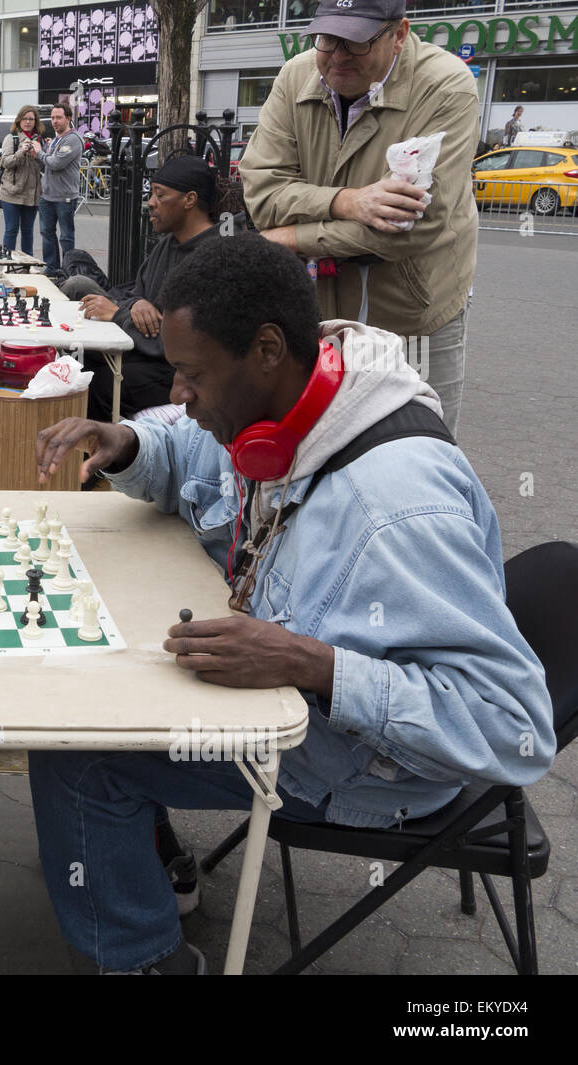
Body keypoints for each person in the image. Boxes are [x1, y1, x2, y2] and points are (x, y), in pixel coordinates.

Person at [30, 234, 554, 974]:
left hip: (366, 767)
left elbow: (514, 728)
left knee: (77, 749)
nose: (179, 395)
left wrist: (314, 664)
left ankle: (144, 957)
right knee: (112, 674)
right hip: (299, 704)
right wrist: (129, 444)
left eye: (192, 375)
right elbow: (187, 442)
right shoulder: (282, 404)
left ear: (267, 349)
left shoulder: (395, 508)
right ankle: (144, 856)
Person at [240, 0, 478, 436]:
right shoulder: (295, 76)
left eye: (357, 41)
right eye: (327, 38)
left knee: (419, 448)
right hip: (316, 305)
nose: (338, 54)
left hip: (415, 310)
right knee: (318, 444)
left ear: (399, 34)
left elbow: (413, 226)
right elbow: (263, 195)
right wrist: (349, 202)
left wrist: (289, 237)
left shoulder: (446, 86)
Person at [60, 155, 220, 423]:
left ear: (189, 200)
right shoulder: (167, 244)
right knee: (76, 358)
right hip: (148, 351)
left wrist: (120, 314)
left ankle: (101, 461)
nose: (150, 203)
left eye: (160, 195)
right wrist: (134, 305)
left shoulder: (214, 258)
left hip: (181, 368)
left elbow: (182, 342)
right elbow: (137, 294)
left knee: (96, 385)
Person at [38, 102, 82, 274]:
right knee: (47, 233)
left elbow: (56, 163)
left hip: (65, 197)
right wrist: (41, 153)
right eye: (53, 118)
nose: (54, 121)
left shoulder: (73, 139)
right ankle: (52, 268)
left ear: (68, 118)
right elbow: (47, 165)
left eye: (59, 117)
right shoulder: (56, 139)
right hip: (47, 195)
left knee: (66, 236)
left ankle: (68, 269)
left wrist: (40, 153)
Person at [0, 104, 43, 256]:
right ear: (19, 121)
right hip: (11, 193)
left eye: (31, 119)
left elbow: (44, 166)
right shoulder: (12, 138)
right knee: (11, 229)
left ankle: (26, 265)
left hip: (32, 194)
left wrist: (40, 155)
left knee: (28, 232)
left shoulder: (39, 141)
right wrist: (21, 151)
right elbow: (6, 162)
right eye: (24, 118)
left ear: (36, 122)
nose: (28, 122)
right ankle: (7, 262)